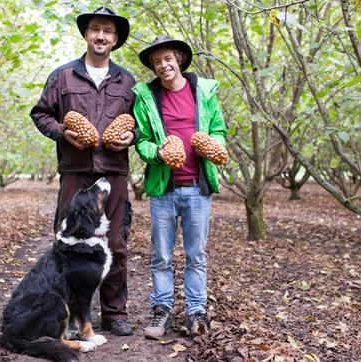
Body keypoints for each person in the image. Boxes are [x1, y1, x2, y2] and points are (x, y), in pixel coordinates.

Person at [30, 6, 136, 336]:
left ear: (115, 39)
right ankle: (73, 315)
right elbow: (40, 114)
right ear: (86, 34)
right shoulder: (62, 76)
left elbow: (142, 127)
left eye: (107, 31)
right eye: (95, 29)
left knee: (115, 243)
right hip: (75, 171)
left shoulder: (127, 81)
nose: (101, 35)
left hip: (114, 173)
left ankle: (114, 313)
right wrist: (64, 132)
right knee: (70, 244)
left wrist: (131, 137)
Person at [132, 36, 227, 339]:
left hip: (197, 187)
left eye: (168, 59)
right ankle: (162, 312)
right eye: (157, 61)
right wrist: (157, 153)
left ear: (180, 60)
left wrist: (213, 145)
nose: (163, 65)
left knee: (196, 255)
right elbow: (142, 140)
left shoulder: (204, 91)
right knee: (161, 255)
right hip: (164, 189)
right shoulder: (146, 96)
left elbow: (218, 130)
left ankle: (195, 312)